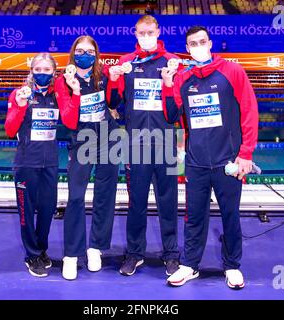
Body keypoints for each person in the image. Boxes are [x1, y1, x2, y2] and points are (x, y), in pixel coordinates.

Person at [160, 26, 258, 289]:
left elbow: (249, 110)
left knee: (230, 215)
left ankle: (232, 266)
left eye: (202, 41)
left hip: (228, 161)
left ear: (210, 43)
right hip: (196, 162)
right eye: (193, 43)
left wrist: (245, 154)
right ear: (188, 48)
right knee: (194, 216)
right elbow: (171, 116)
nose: (198, 46)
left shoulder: (232, 71)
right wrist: (168, 86)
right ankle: (190, 265)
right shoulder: (183, 78)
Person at [108, 15, 181, 277]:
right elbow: (115, 102)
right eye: (142, 32)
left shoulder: (171, 62)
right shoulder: (126, 63)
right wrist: (114, 78)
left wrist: (171, 80)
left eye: (151, 31)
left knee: (168, 201)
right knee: (136, 201)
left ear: (159, 31)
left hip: (166, 142)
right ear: (135, 33)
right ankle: (135, 253)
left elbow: (175, 111)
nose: (147, 36)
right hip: (135, 142)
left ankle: (171, 254)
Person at [55, 35, 121, 280]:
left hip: (108, 135)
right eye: (80, 50)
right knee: (76, 196)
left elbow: (115, 102)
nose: (85, 54)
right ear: (73, 53)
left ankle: (96, 248)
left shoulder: (102, 75)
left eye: (90, 51)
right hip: (82, 137)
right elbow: (69, 120)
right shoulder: (63, 81)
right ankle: (71, 254)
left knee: (106, 193)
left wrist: (114, 82)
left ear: (96, 54)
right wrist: (74, 91)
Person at [5, 53, 72, 277]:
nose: (42, 73)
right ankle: (31, 254)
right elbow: (9, 130)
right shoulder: (19, 94)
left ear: (54, 72)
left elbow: (71, 120)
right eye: (38, 69)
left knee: (47, 209)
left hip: (50, 163)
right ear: (31, 70)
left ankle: (41, 249)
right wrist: (20, 105)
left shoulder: (57, 95)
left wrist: (73, 90)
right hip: (26, 164)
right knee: (26, 211)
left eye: (46, 69)